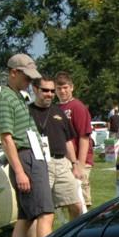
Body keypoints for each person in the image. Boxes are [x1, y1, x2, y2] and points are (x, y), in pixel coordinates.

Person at [0, 53, 53, 237]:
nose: (30, 81)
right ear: (13, 73)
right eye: (26, 76)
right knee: (45, 214)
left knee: (26, 217)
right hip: (24, 158)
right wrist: (19, 171)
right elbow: (7, 139)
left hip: (32, 156)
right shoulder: (4, 100)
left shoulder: (18, 96)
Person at [28, 76, 85, 222]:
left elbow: (68, 141)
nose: (50, 94)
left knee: (77, 205)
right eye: (45, 90)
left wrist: (75, 164)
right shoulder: (27, 112)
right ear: (35, 89)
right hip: (38, 165)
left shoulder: (58, 111)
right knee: (40, 211)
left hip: (61, 164)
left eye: (52, 91)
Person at [55, 72, 95, 208]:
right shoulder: (56, 108)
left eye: (65, 87)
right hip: (65, 162)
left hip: (79, 161)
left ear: (72, 87)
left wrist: (80, 165)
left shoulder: (77, 107)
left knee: (82, 202)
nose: (62, 91)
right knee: (70, 202)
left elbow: (84, 136)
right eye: (59, 88)